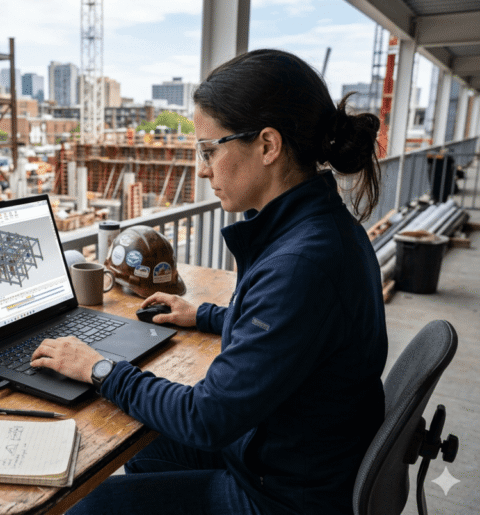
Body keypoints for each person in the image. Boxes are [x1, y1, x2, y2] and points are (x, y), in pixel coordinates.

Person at [30, 49, 388, 515]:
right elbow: (293, 332)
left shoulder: (301, 263)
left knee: (85, 507)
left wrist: (99, 369)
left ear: (267, 145)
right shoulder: (319, 229)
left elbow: (206, 418)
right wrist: (204, 314)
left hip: (283, 495)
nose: (202, 170)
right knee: (144, 449)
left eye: (209, 150)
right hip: (298, 455)